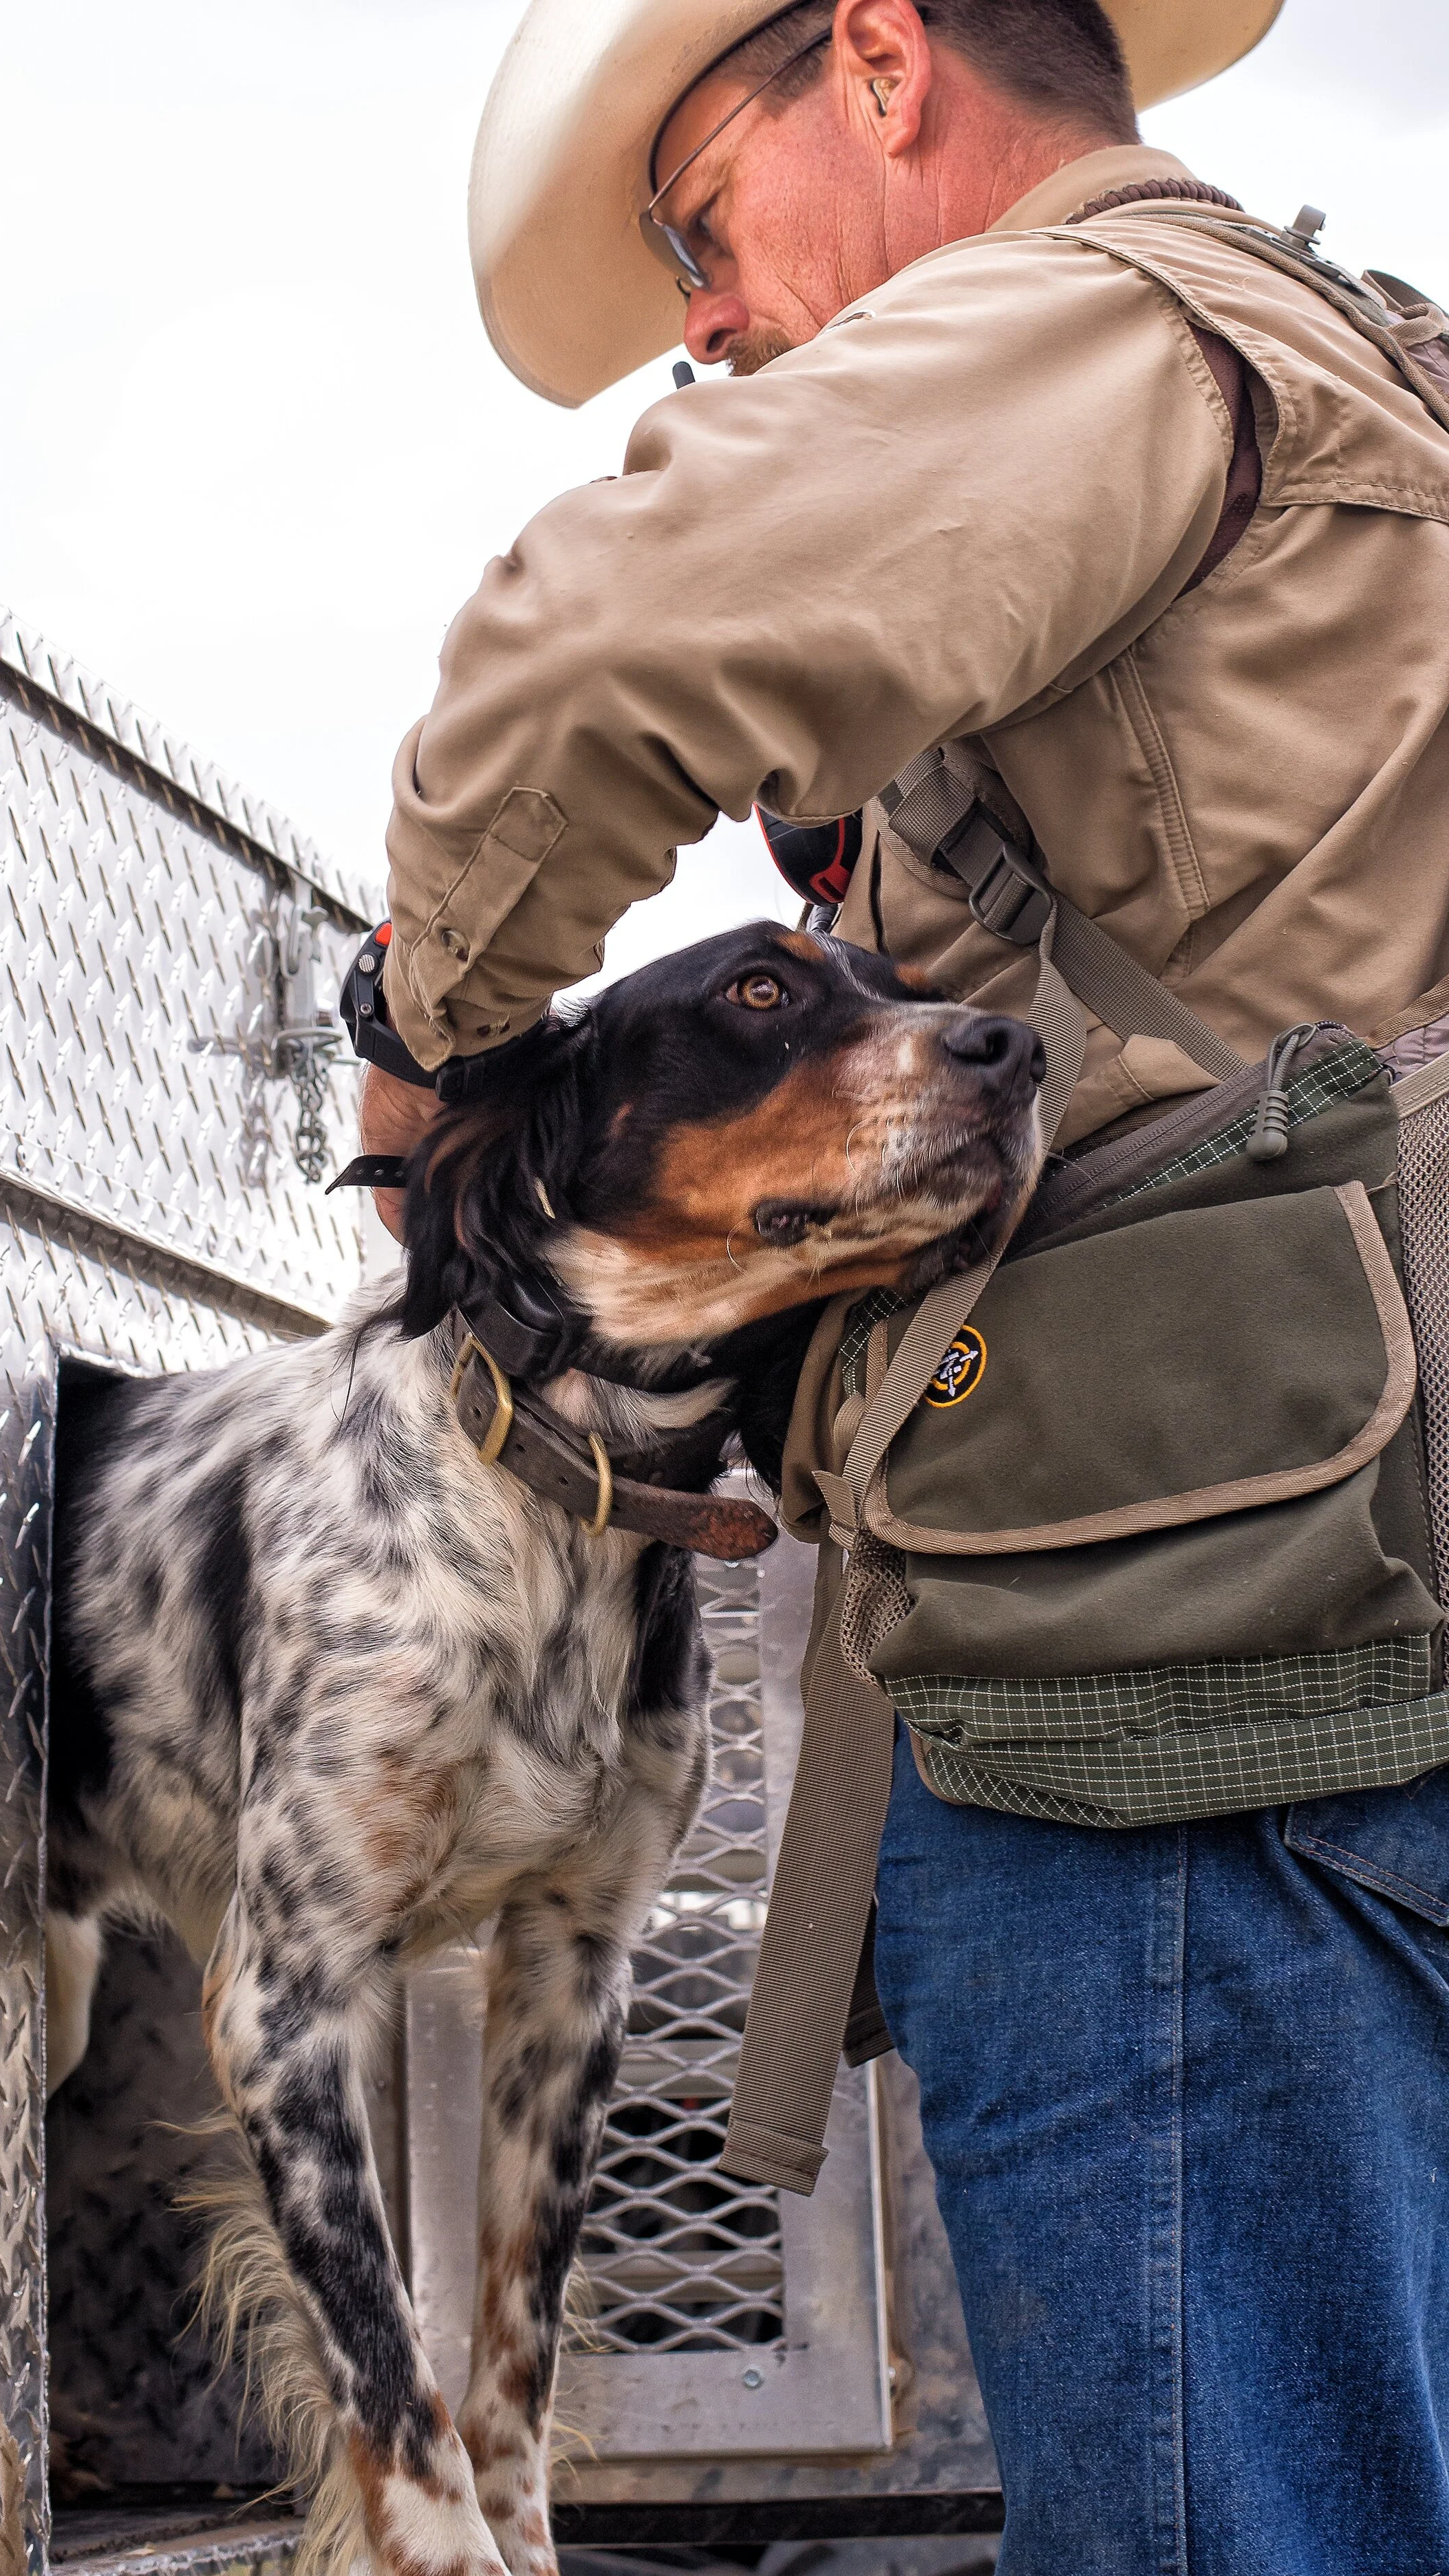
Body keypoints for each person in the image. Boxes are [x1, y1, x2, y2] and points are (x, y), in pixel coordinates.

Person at [358, 4, 1449, 2568]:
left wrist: (426, 1047)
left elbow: (594, 650)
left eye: (699, 229)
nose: (707, 322)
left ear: (876, 60)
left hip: (1208, 1672)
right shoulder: (1367, 363)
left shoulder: (1095, 319)